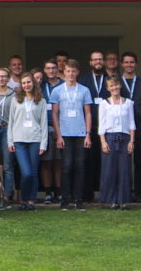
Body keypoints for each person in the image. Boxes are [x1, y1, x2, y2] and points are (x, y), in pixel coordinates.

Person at [50, 61, 92, 210]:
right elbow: (54, 114)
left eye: (73, 71)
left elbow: (88, 113)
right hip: (65, 134)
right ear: (64, 72)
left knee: (80, 166)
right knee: (66, 166)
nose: (71, 74)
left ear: (77, 72)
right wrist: (58, 135)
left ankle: (78, 199)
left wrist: (88, 134)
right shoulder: (57, 90)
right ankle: (65, 199)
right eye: (68, 71)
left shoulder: (84, 90)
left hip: (80, 134)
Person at [5, 73, 48, 211]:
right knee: (26, 172)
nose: (26, 85)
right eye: (23, 83)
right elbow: (11, 121)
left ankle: (31, 201)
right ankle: (24, 198)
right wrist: (10, 141)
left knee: (34, 172)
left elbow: (44, 123)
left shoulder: (41, 101)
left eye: (28, 82)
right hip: (19, 140)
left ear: (33, 83)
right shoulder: (15, 100)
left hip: (35, 139)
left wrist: (43, 144)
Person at [96, 77, 134, 210]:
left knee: (124, 169)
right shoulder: (104, 104)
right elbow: (101, 124)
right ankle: (111, 200)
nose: (114, 88)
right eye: (111, 86)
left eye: (116, 85)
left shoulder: (128, 103)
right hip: (110, 137)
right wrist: (103, 142)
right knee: (109, 169)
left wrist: (131, 141)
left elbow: (132, 123)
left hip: (125, 138)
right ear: (108, 88)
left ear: (120, 86)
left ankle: (123, 200)